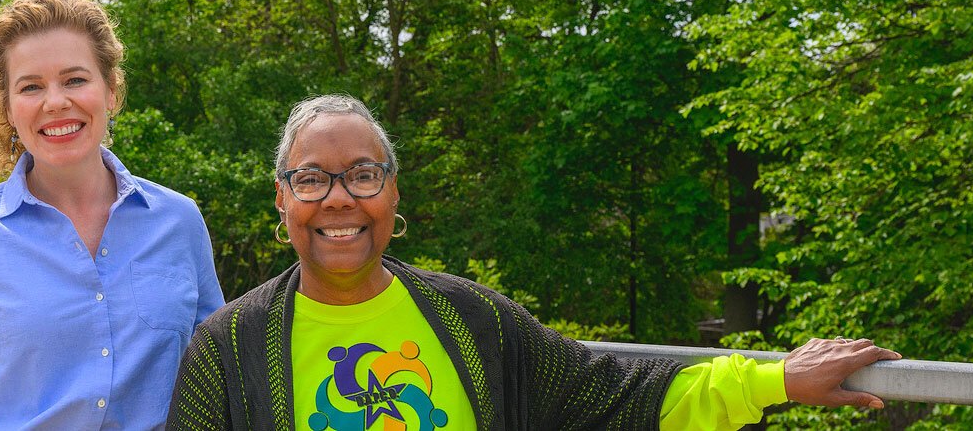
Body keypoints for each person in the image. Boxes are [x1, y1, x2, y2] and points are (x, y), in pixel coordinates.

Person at [167, 95, 900, 430]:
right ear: (282, 199)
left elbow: (622, 396)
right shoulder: (229, 347)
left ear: (392, 193)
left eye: (363, 174)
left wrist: (776, 377)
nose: (339, 200)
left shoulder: (472, 319)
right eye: (312, 179)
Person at [0, 0, 225, 429]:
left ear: (110, 90)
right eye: (31, 87)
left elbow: (218, 384)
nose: (55, 102)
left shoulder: (179, 221)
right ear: (8, 109)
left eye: (75, 80)